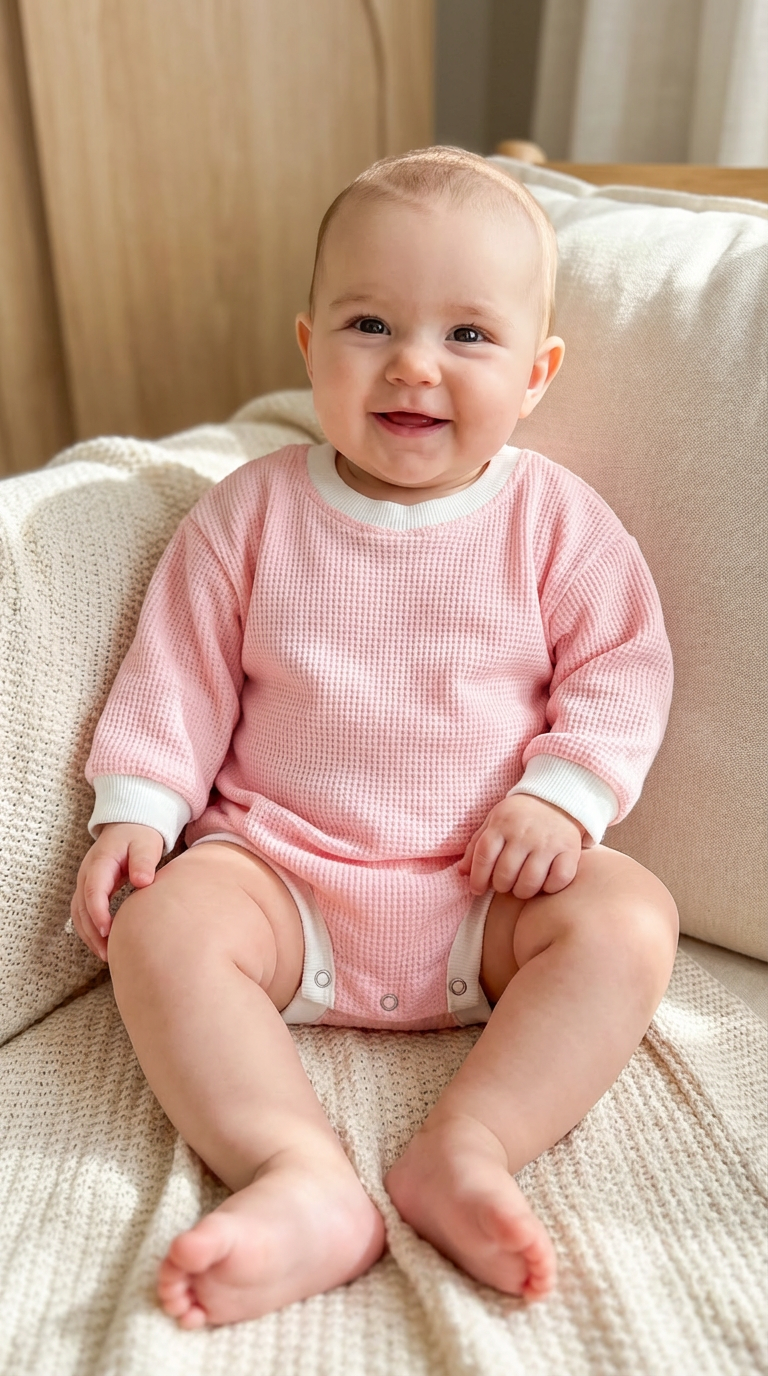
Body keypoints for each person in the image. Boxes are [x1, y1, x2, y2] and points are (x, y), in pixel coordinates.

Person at [71, 146, 678, 1329]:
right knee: (160, 927)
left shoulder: (554, 521)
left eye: (467, 336)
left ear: (537, 372)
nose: (412, 363)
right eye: (369, 322)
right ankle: (297, 1170)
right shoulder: (249, 514)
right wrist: (136, 814)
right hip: (283, 883)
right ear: (308, 347)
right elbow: (176, 679)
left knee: (628, 918)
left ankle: (471, 1143)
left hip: (486, 894)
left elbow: (621, 667)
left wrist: (564, 794)